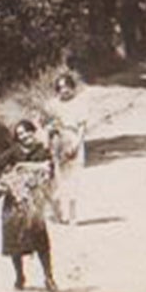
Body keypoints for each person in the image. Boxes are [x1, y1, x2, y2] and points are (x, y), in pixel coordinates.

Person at [0, 119, 59, 292]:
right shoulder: (14, 151)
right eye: (20, 134)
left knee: (40, 239)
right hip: (14, 199)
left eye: (26, 132)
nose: (24, 136)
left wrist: (21, 166)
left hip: (33, 200)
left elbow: (48, 168)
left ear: (33, 131)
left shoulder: (43, 150)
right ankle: (19, 276)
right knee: (14, 238)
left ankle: (49, 277)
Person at [45, 71, 90, 225]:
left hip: (73, 138)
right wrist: (50, 135)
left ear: (72, 87)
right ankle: (57, 213)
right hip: (57, 141)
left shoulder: (79, 103)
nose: (64, 90)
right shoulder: (52, 105)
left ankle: (73, 214)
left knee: (73, 179)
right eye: (60, 87)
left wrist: (77, 143)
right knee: (57, 179)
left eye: (67, 87)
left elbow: (83, 126)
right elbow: (46, 123)